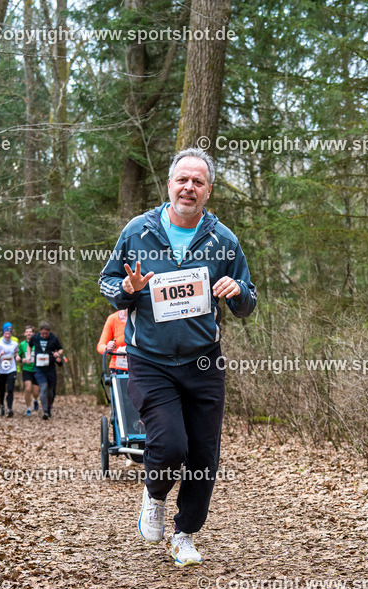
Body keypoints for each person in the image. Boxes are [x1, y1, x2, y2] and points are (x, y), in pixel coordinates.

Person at [99, 147, 256, 567]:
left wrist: (239, 293)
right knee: (169, 445)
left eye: (198, 182)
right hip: (150, 358)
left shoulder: (223, 240)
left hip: (204, 361)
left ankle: (184, 533)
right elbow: (108, 280)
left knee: (204, 455)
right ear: (169, 184)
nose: (189, 187)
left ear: (208, 191)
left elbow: (248, 298)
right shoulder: (139, 231)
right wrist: (126, 290)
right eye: (182, 179)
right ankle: (154, 498)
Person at [28, 322, 64, 420]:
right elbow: (29, 345)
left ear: (49, 332)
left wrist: (57, 353)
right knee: (43, 388)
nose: (44, 335)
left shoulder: (53, 338)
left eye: (46, 334)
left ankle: (49, 407)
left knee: (51, 391)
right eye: (43, 333)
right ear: (40, 331)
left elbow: (61, 349)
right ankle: (45, 411)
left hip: (50, 368)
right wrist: (29, 355)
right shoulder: (35, 337)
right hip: (39, 368)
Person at [0, 322, 20, 417]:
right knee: (1, 390)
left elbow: (16, 352)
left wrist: (17, 356)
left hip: (11, 369)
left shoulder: (15, 343)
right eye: (6, 333)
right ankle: (1, 406)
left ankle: (10, 408)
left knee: (11, 389)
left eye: (9, 333)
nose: (8, 335)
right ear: (3, 333)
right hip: (0, 370)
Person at [19, 325, 40, 416]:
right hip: (26, 369)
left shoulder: (38, 343)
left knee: (36, 392)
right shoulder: (22, 344)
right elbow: (18, 356)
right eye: (27, 332)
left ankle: (35, 400)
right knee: (28, 389)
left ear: (33, 333)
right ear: (24, 334)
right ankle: (28, 408)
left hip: (37, 369)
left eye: (30, 332)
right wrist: (22, 360)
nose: (29, 333)